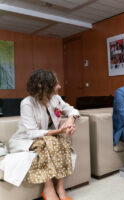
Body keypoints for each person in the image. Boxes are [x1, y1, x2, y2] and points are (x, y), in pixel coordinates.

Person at [8, 69, 80, 200]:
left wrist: (70, 121)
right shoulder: (27, 103)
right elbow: (32, 132)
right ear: (46, 88)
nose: (59, 86)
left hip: (47, 136)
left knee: (63, 139)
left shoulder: (55, 98)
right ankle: (48, 188)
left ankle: (60, 187)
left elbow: (72, 110)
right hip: (27, 140)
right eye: (56, 84)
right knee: (51, 141)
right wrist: (59, 131)